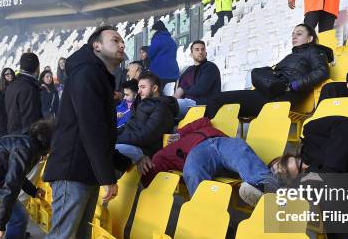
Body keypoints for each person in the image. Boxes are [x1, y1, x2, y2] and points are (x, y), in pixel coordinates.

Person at [25, 26, 132, 239]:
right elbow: (91, 129)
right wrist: (108, 176)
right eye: (114, 40)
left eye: (122, 40)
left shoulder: (96, 75)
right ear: (97, 46)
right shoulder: (87, 75)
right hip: (73, 172)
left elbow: (99, 131)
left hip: (82, 171)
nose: (121, 44)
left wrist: (123, 163)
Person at [136, 117, 277, 204]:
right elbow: (152, 173)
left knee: (240, 148)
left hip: (220, 142)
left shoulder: (186, 132)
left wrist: (180, 133)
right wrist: (141, 163)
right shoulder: (164, 153)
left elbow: (204, 120)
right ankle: (211, 222)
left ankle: (266, 189)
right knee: (192, 170)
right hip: (198, 153)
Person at [205, 24, 332, 118]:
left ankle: (205, 139)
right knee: (217, 102)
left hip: (281, 95)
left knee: (217, 100)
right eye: (293, 34)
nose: (294, 36)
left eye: (299, 33)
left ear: (310, 39)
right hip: (269, 92)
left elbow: (322, 71)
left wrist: (296, 84)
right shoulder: (291, 55)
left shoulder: (315, 51)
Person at [116, 72, 178, 163]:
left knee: (105, 150)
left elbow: (146, 136)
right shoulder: (140, 104)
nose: (139, 91)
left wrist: (116, 139)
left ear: (154, 88)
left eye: (143, 87)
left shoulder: (162, 108)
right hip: (131, 143)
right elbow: (127, 125)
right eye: (139, 87)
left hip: (143, 150)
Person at [174, 40, 221, 119]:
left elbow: (200, 90)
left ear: (206, 53)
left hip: (201, 104)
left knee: (166, 106)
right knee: (160, 105)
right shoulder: (188, 70)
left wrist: (183, 90)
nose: (200, 52)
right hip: (186, 102)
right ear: (191, 54)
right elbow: (179, 87)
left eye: (203, 49)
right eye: (197, 49)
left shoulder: (210, 67)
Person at [5, 52, 42, 134]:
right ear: (38, 67)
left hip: (13, 136)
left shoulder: (12, 85)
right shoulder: (29, 89)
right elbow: (31, 122)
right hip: (25, 140)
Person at [148, 21, 179, 95]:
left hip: (159, 73)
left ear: (156, 30)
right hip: (173, 72)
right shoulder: (172, 40)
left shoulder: (157, 39)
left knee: (158, 95)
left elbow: (150, 54)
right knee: (170, 94)